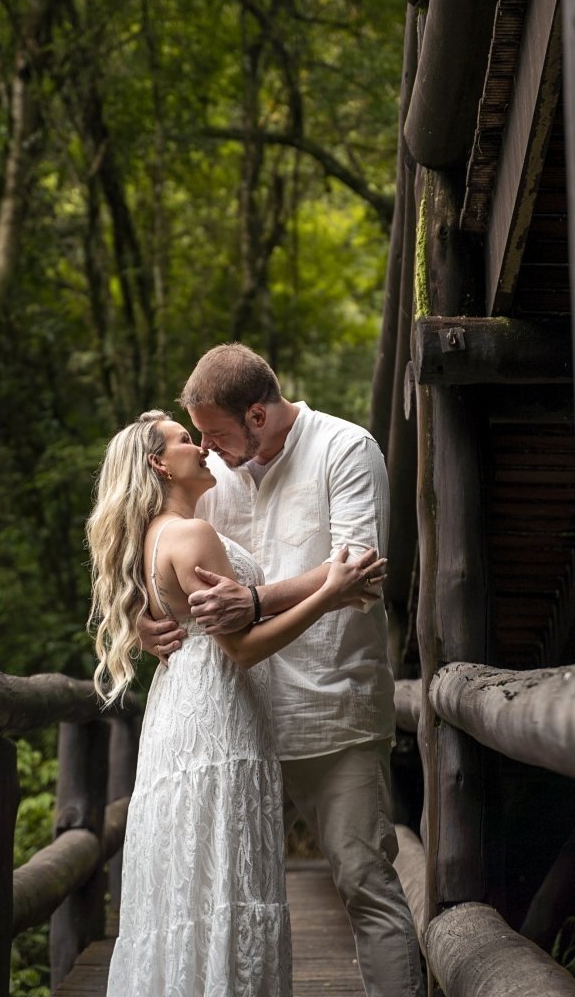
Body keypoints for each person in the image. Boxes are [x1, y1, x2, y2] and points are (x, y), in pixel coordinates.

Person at [140, 344, 424, 997]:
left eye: (215, 433)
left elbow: (360, 571)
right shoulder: (212, 474)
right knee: (223, 899)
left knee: (364, 882)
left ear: (258, 415)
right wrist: (140, 617)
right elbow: (155, 545)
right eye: (197, 436)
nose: (205, 448)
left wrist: (257, 600)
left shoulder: (344, 449)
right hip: (235, 723)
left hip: (331, 710)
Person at [87, 409, 385, 997]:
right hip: (218, 712)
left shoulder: (152, 535)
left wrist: (144, 623)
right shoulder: (193, 533)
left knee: (191, 881)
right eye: (184, 439)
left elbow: (162, 605)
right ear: (158, 464)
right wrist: (329, 594)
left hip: (179, 711)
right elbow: (244, 648)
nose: (200, 447)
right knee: (225, 877)